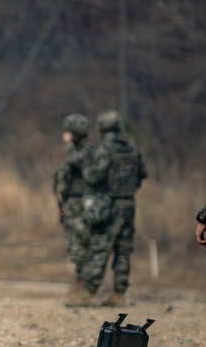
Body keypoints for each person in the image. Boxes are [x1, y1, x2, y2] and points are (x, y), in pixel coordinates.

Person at [80, 110, 147, 307]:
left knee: (101, 246)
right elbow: (143, 173)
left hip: (109, 205)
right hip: (129, 203)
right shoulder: (132, 148)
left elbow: (95, 176)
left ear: (102, 129)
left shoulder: (105, 149)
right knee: (124, 249)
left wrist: (85, 168)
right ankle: (119, 294)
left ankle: (90, 292)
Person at [53, 113, 94, 306]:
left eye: (69, 132)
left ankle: (86, 287)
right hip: (70, 205)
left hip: (81, 205)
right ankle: (80, 284)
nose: (65, 136)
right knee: (73, 246)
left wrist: (69, 145)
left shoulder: (85, 151)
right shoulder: (77, 150)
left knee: (81, 246)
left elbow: (75, 161)